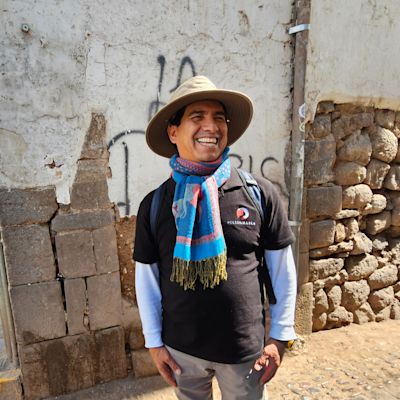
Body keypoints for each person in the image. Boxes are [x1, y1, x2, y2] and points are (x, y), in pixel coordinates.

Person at [133, 75, 297, 400]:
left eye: (219, 117)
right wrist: (153, 343)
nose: (211, 126)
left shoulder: (258, 194)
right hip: (181, 352)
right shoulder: (154, 205)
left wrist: (279, 336)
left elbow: (282, 271)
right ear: (173, 131)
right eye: (197, 117)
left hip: (244, 353)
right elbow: (147, 279)